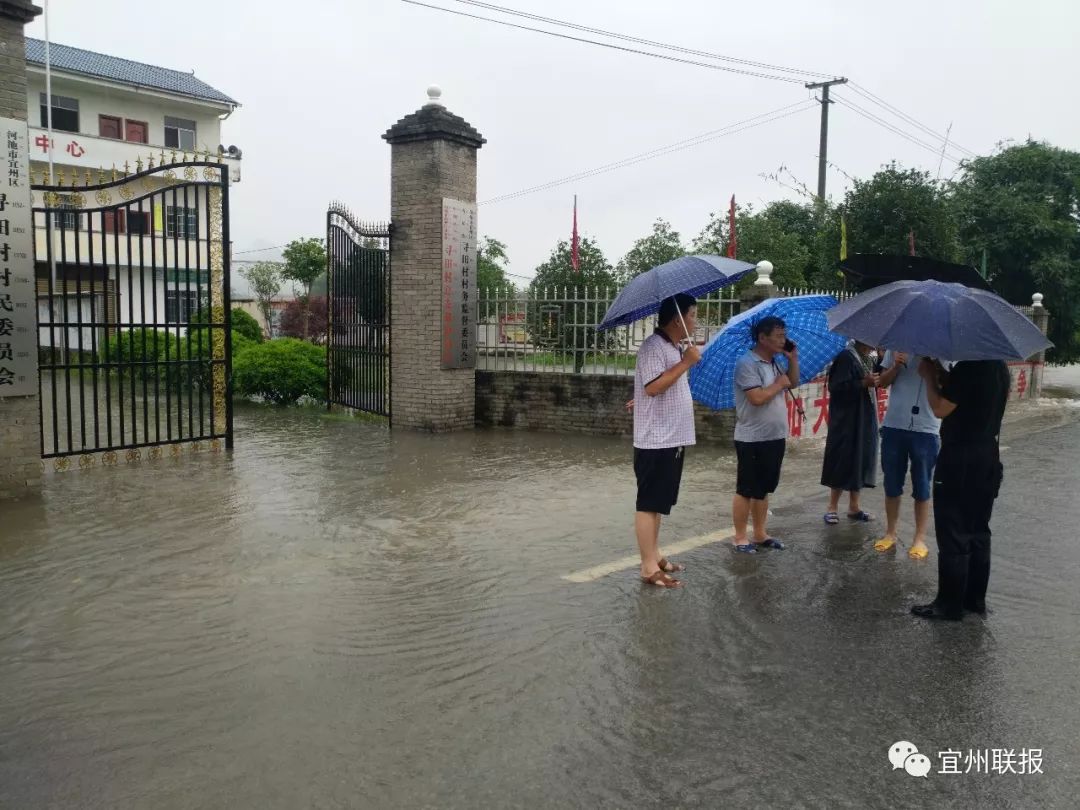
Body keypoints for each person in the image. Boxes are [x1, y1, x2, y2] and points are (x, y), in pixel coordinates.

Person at [911, 358, 1010, 621]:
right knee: (978, 530)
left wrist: (930, 378)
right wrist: (942, 373)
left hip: (960, 457)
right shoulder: (998, 366)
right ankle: (974, 601)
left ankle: (949, 605)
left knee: (953, 529)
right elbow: (970, 398)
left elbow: (941, 408)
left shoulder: (970, 367)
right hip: (988, 454)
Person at [632, 294, 701, 588]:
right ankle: (648, 567)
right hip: (655, 440)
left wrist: (684, 358)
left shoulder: (673, 347)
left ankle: (655, 554)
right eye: (694, 315)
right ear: (678, 319)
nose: (696, 321)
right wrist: (686, 362)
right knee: (648, 503)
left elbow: (656, 387)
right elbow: (653, 387)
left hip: (672, 437)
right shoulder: (653, 347)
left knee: (658, 503)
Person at [731, 316, 799, 553]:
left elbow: (793, 381)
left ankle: (760, 533)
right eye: (779, 335)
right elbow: (756, 398)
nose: (784, 340)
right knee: (746, 489)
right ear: (762, 337)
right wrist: (779, 385)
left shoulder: (776, 363)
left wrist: (793, 359)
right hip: (751, 437)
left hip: (775, 435)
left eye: (784, 334)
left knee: (764, 487)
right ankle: (740, 537)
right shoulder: (747, 363)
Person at [872, 350, 941, 560]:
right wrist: (895, 365)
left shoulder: (943, 352)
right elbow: (881, 383)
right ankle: (890, 533)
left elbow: (948, 389)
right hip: (894, 425)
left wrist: (933, 367)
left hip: (926, 429)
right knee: (892, 484)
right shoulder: (896, 348)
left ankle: (919, 538)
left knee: (922, 485)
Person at [820, 341, 879, 524]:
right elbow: (836, 387)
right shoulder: (846, 356)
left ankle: (854, 507)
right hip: (846, 419)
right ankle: (832, 507)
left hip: (863, 415)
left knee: (859, 458)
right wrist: (863, 382)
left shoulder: (867, 358)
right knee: (841, 458)